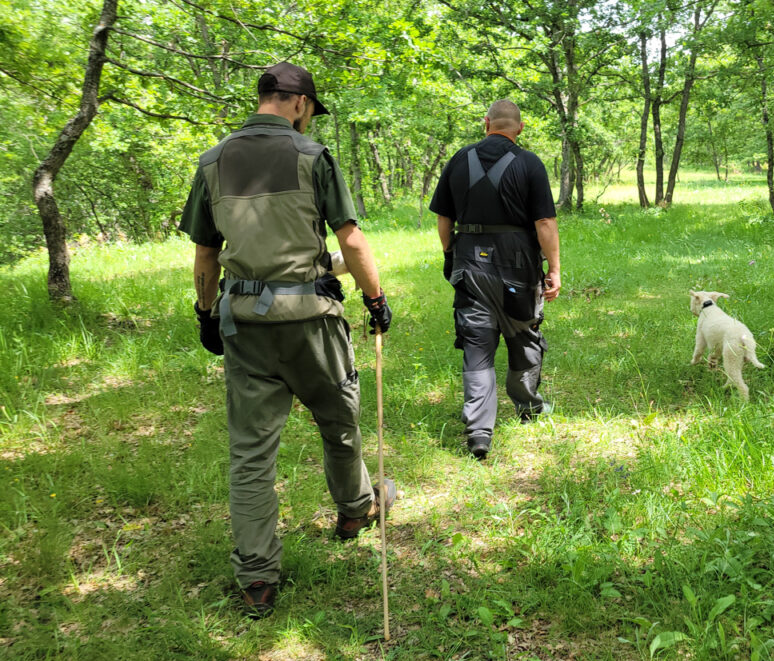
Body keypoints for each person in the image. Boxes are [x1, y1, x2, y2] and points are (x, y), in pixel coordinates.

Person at [179, 62, 396, 618]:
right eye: (310, 112)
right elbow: (350, 238)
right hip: (311, 320)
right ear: (298, 102)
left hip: (245, 322)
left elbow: (206, 254)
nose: (308, 121)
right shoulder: (312, 157)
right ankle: (354, 510)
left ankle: (256, 578)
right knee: (338, 418)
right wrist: (374, 299)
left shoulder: (213, 161)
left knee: (251, 451)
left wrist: (206, 313)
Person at [429, 99, 561, 460]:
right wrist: (554, 270)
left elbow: (443, 219)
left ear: (485, 123)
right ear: (519, 128)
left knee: (477, 345)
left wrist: (450, 254)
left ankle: (479, 433)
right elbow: (545, 224)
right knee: (523, 337)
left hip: (470, 263)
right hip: (517, 267)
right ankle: (529, 407)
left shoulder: (458, 159)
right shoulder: (529, 163)